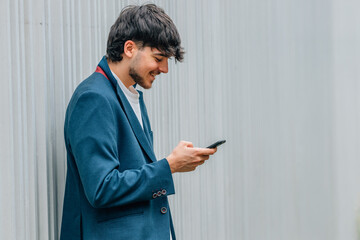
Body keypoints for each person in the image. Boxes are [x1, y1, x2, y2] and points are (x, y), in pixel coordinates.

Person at [60, 4, 217, 240]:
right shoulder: (93, 98)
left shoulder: (131, 95)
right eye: (158, 58)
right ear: (130, 48)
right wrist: (169, 166)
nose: (164, 69)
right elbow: (101, 188)